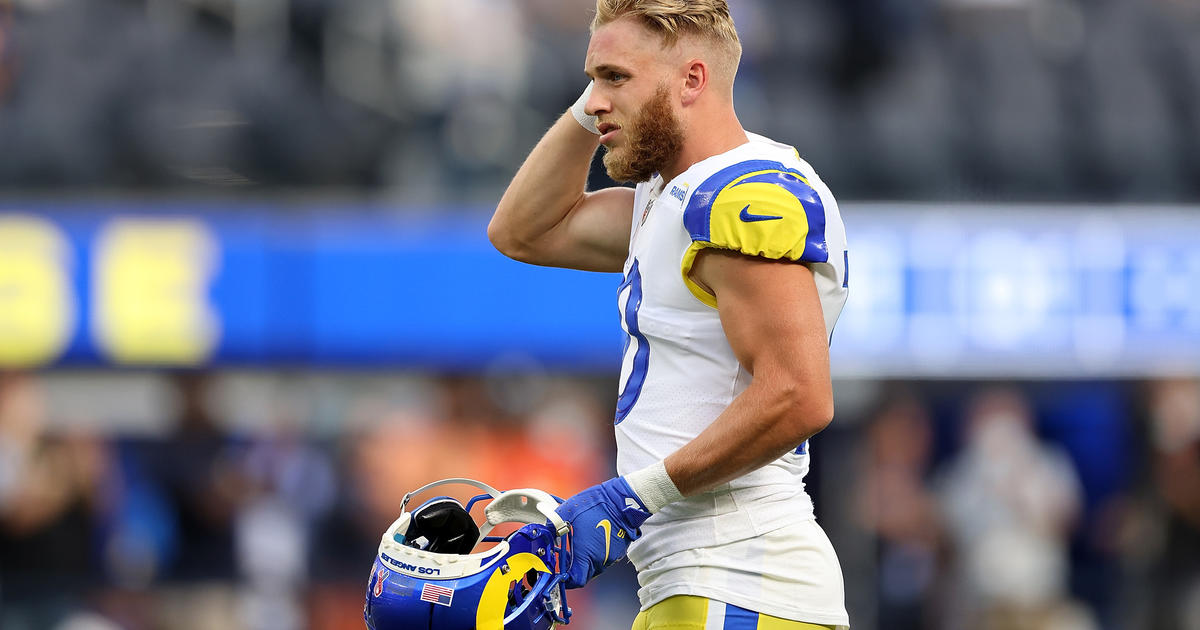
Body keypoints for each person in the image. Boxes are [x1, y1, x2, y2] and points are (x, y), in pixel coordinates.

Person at [488, 1, 851, 628]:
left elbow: (800, 395)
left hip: (741, 580)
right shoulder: (673, 194)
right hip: (699, 581)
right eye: (591, 80)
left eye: (616, 78)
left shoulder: (743, 196)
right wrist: (596, 102)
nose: (595, 100)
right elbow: (523, 231)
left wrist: (632, 498)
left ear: (692, 80)